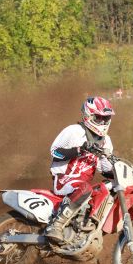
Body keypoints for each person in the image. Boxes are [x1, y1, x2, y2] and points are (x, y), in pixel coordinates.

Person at [45, 96, 115, 243]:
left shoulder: (106, 141)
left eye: (106, 118)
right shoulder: (75, 131)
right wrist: (79, 149)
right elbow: (54, 152)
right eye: (99, 118)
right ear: (88, 116)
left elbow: (105, 168)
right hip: (64, 179)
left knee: (106, 189)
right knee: (85, 188)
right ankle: (56, 225)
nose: (103, 122)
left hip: (83, 186)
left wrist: (124, 173)